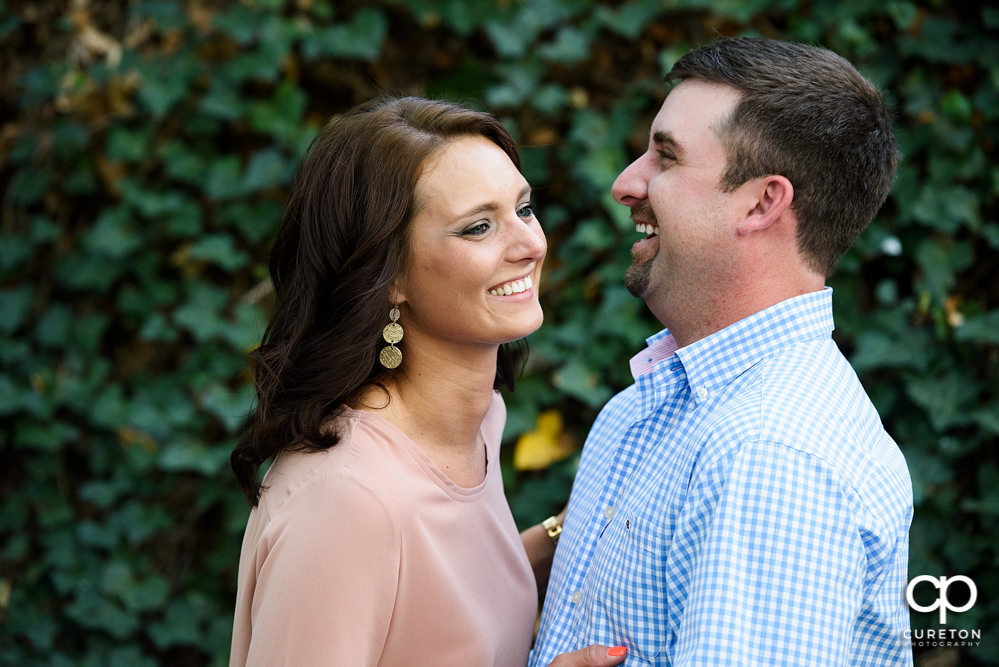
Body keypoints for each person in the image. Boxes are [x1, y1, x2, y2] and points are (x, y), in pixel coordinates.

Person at [529, 37, 914, 666]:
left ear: (762, 202)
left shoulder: (772, 456)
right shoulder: (651, 412)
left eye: (666, 158)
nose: (627, 184)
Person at [229, 96, 627, 667]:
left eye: (525, 208)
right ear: (387, 274)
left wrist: (578, 529)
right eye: (479, 227)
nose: (530, 245)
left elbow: (435, 616)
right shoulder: (347, 498)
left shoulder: (478, 423)